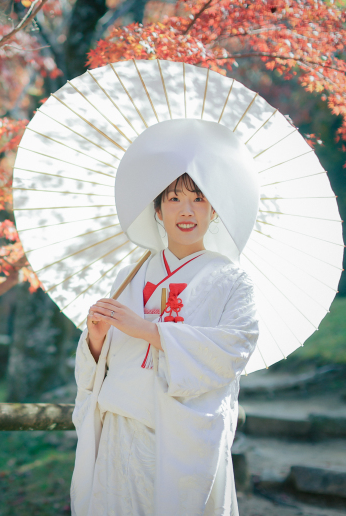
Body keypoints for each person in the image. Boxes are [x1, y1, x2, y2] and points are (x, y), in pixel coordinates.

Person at [69, 119, 261, 516]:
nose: (186, 211)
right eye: (173, 199)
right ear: (157, 209)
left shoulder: (231, 280)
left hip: (178, 436)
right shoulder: (131, 275)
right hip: (120, 430)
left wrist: (147, 330)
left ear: (215, 210)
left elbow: (233, 349)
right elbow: (97, 365)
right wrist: (96, 338)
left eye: (199, 199)